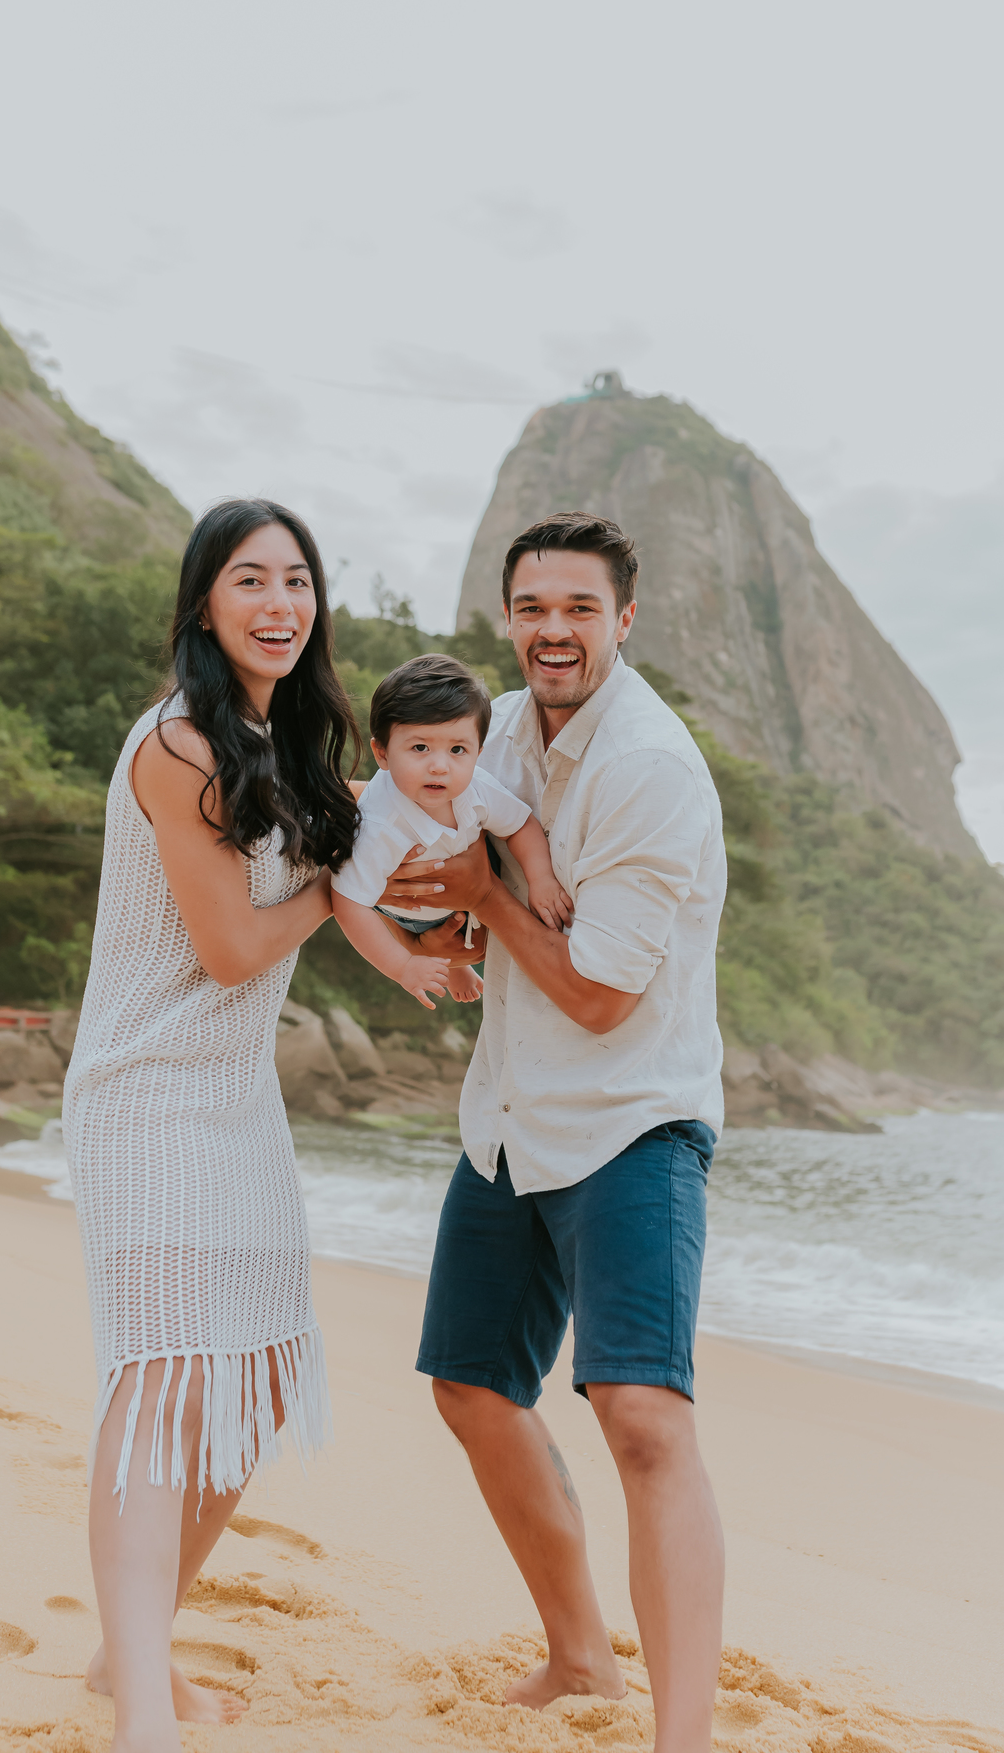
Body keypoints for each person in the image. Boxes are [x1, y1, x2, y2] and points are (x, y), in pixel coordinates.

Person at [386, 512, 727, 1753]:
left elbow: (598, 995)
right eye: (533, 608)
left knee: (643, 1416)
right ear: (507, 618)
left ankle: (681, 1736)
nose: (553, 630)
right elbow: (442, 864)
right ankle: (583, 1659)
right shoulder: (501, 732)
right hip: (511, 1120)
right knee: (472, 1387)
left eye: (579, 609)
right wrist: (439, 918)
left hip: (636, 1120)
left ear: (623, 621)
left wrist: (485, 895)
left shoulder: (651, 768)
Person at [62, 499, 366, 1750]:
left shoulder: (276, 747)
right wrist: (337, 888)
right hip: (146, 1095)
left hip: (237, 1102)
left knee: (255, 1380)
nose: (279, 603)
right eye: (251, 581)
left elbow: (416, 812)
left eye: (297, 581)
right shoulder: (182, 746)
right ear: (204, 605)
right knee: (165, 1390)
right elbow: (236, 947)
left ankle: (119, 1648)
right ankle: (143, 1705)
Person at [331, 652, 572, 1008]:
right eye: (420, 747)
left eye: (458, 749)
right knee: (412, 918)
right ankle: (451, 963)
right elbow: (349, 904)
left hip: (463, 871)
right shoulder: (380, 826)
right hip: (411, 912)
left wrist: (541, 879)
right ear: (382, 754)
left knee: (491, 857)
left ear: (478, 752)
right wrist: (403, 966)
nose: (440, 766)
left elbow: (520, 824)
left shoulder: (476, 786)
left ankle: (456, 962)